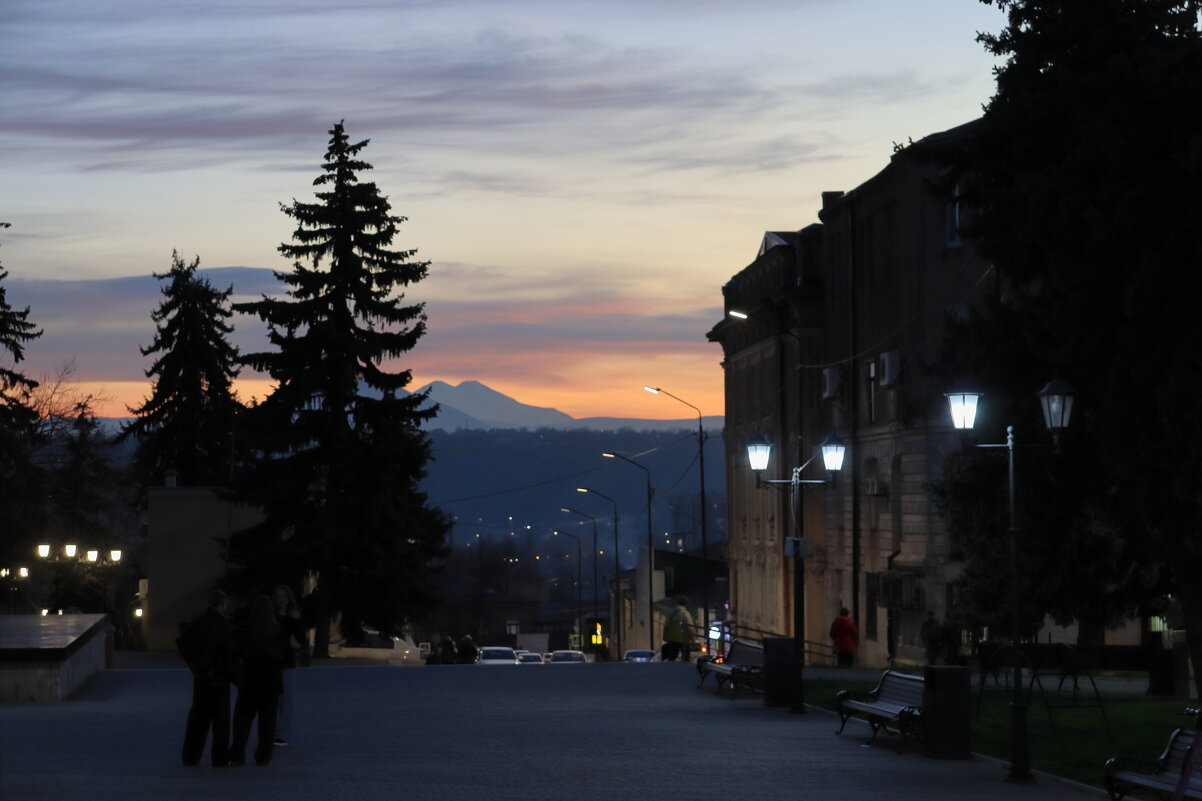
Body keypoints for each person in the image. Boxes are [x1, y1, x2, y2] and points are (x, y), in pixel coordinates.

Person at [179, 588, 243, 767]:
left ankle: (190, 756)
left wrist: (195, 665)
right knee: (221, 721)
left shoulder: (199, 621)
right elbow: (231, 649)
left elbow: (182, 641)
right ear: (223, 603)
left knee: (198, 717)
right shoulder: (223, 625)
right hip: (220, 678)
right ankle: (220, 758)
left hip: (201, 677)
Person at [230, 595, 284, 766]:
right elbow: (286, 654)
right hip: (271, 681)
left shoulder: (245, 631)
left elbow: (236, 652)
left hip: (249, 680)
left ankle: (237, 753)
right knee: (268, 723)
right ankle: (263, 755)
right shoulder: (278, 631)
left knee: (242, 721)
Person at [272, 584, 307, 746]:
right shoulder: (271, 615)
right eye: (279, 597)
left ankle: (283, 733)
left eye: (284, 596)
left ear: (288, 598)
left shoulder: (293, 616)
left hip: (286, 661)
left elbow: (301, 639)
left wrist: (297, 620)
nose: (281, 600)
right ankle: (270, 730)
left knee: (287, 699)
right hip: (272, 661)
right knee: (272, 699)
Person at [660, 597, 695, 662]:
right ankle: (684, 669)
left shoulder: (670, 613)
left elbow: (666, 626)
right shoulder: (685, 613)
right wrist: (693, 640)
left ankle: (671, 670)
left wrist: (665, 637)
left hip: (672, 638)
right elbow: (690, 628)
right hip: (683, 639)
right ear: (686, 604)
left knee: (672, 657)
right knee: (685, 657)